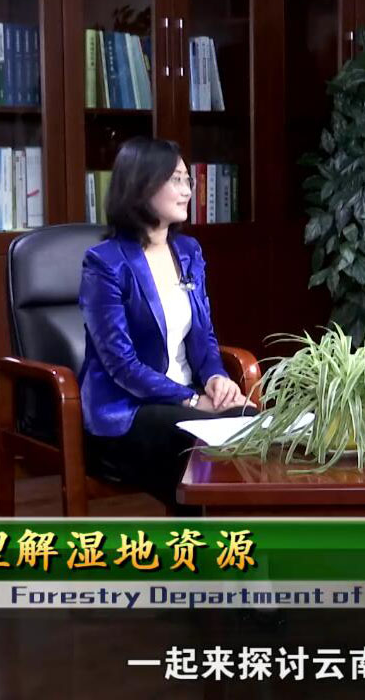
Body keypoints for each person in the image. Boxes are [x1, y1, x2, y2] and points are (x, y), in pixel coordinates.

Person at [78, 136, 250, 513]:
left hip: (188, 396)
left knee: (255, 426)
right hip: (128, 409)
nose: (187, 190)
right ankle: (197, 543)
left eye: (187, 180)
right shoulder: (105, 263)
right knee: (196, 445)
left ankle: (248, 541)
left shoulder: (188, 251)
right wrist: (192, 400)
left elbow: (203, 338)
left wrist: (217, 379)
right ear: (141, 185)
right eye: (176, 180)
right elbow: (121, 365)